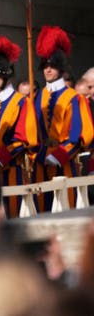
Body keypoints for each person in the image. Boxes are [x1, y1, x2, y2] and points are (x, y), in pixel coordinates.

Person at [34, 26, 93, 210]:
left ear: (60, 68)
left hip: (65, 165)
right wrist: (40, 155)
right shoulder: (38, 97)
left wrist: (58, 156)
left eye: (52, 66)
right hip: (41, 165)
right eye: (45, 66)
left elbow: (79, 135)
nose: (48, 69)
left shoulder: (74, 98)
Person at [0, 36, 38, 217]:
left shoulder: (21, 102)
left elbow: (23, 139)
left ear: (5, 75)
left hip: (13, 171)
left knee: (14, 219)